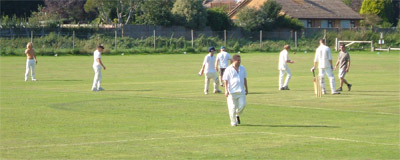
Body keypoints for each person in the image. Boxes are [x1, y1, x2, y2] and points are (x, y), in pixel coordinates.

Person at [223, 54, 248, 126]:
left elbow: (244, 78)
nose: (239, 61)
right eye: (238, 60)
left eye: (240, 60)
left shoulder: (242, 68)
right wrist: (226, 90)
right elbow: (226, 80)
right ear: (233, 60)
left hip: (241, 91)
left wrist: (246, 88)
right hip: (232, 92)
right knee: (232, 108)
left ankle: (237, 114)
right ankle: (233, 122)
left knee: (242, 105)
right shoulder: (228, 69)